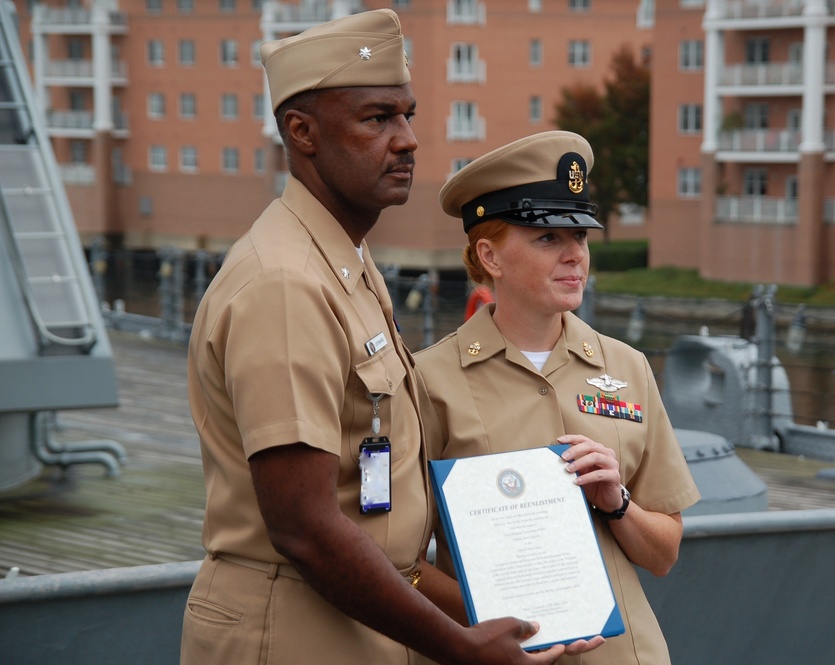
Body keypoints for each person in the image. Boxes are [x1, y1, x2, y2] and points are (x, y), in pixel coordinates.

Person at [180, 12, 594, 665]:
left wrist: (529, 617)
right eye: (377, 119)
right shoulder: (286, 284)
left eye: (407, 115)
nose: (406, 141)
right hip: (293, 630)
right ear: (302, 132)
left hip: (365, 618)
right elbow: (305, 528)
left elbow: (368, 495)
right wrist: (461, 646)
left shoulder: (345, 261)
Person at [414, 131, 702, 664]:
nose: (575, 255)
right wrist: (501, 621)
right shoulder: (428, 381)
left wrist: (618, 504)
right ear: (489, 256)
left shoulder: (627, 368)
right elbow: (401, 561)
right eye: (548, 239)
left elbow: (664, 554)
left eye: (582, 238)